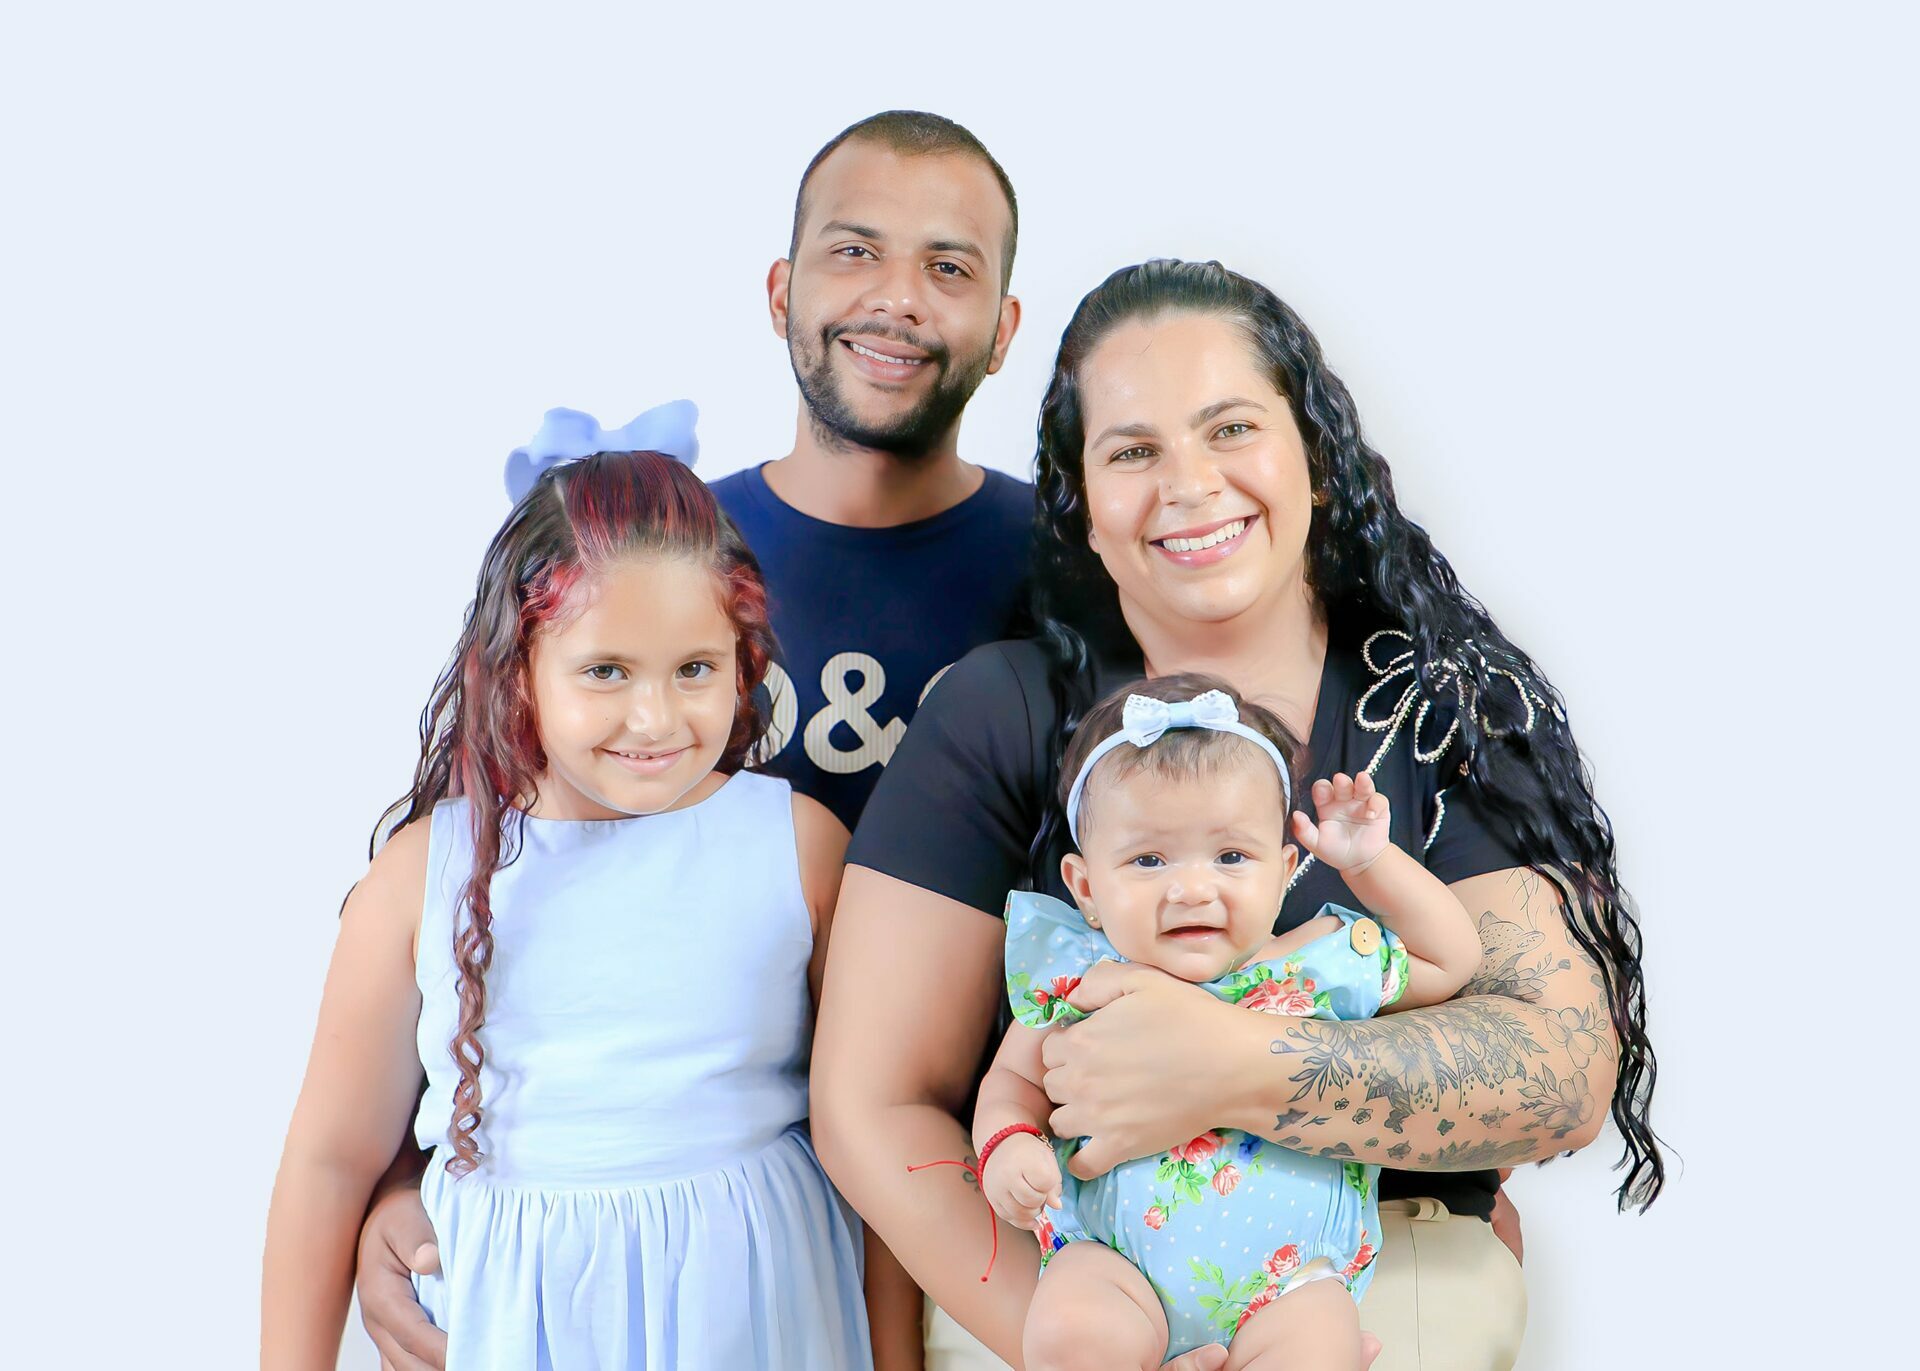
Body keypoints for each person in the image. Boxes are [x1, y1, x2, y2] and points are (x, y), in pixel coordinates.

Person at [812, 260, 1662, 1371]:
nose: (1190, 483)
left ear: (1315, 456)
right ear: (1082, 508)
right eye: (1132, 452)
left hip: (1360, 1295)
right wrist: (1088, 1345)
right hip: (1074, 1290)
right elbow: (872, 1106)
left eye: (1231, 429)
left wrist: (1233, 1064)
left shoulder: (1432, 707)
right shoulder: (999, 711)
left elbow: (1558, 1067)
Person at [354, 110, 1032, 1371]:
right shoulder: (651, 550)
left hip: (985, 1202)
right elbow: (483, 897)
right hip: (681, 1258)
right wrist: (408, 1176)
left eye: (948, 266)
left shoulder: (1070, 569)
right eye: (854, 251)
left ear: (1004, 327)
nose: (895, 296)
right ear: (780, 291)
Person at [263, 449, 872, 1369]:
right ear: (518, 669)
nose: (655, 717)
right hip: (514, 1326)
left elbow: (873, 1121)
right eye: (606, 671)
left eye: (695, 668)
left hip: (753, 1317)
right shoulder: (422, 876)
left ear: (743, 660)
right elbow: (329, 1160)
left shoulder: (800, 847)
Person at [976, 675, 1481, 1370]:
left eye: (1231, 857)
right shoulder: (1080, 980)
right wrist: (1007, 1145)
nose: (1192, 887)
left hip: (1288, 1284)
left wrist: (1371, 863)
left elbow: (1451, 959)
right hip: (1115, 1265)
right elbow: (1010, 1081)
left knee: (1315, 1346)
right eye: (1149, 859)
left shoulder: (1315, 965)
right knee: (1070, 1331)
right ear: (1086, 887)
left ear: (1284, 870)